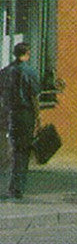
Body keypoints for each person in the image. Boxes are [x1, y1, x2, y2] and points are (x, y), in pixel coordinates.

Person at [1, 42, 40, 199]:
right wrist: (38, 116)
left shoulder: (5, 72)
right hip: (25, 114)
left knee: (12, 150)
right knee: (23, 151)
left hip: (9, 113)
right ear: (27, 53)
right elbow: (34, 96)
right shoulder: (30, 72)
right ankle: (17, 187)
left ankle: (12, 184)